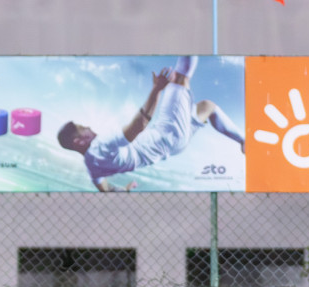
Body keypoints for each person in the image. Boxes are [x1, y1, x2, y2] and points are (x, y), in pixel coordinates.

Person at [59, 57, 245, 192]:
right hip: (167, 132)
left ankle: (244, 142)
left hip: (174, 146)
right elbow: (139, 125)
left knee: (207, 107)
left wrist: (124, 190)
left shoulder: (92, 165)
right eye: (83, 128)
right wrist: (157, 89)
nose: (89, 127)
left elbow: (105, 189)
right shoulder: (101, 145)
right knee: (180, 78)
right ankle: (193, 36)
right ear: (79, 142)